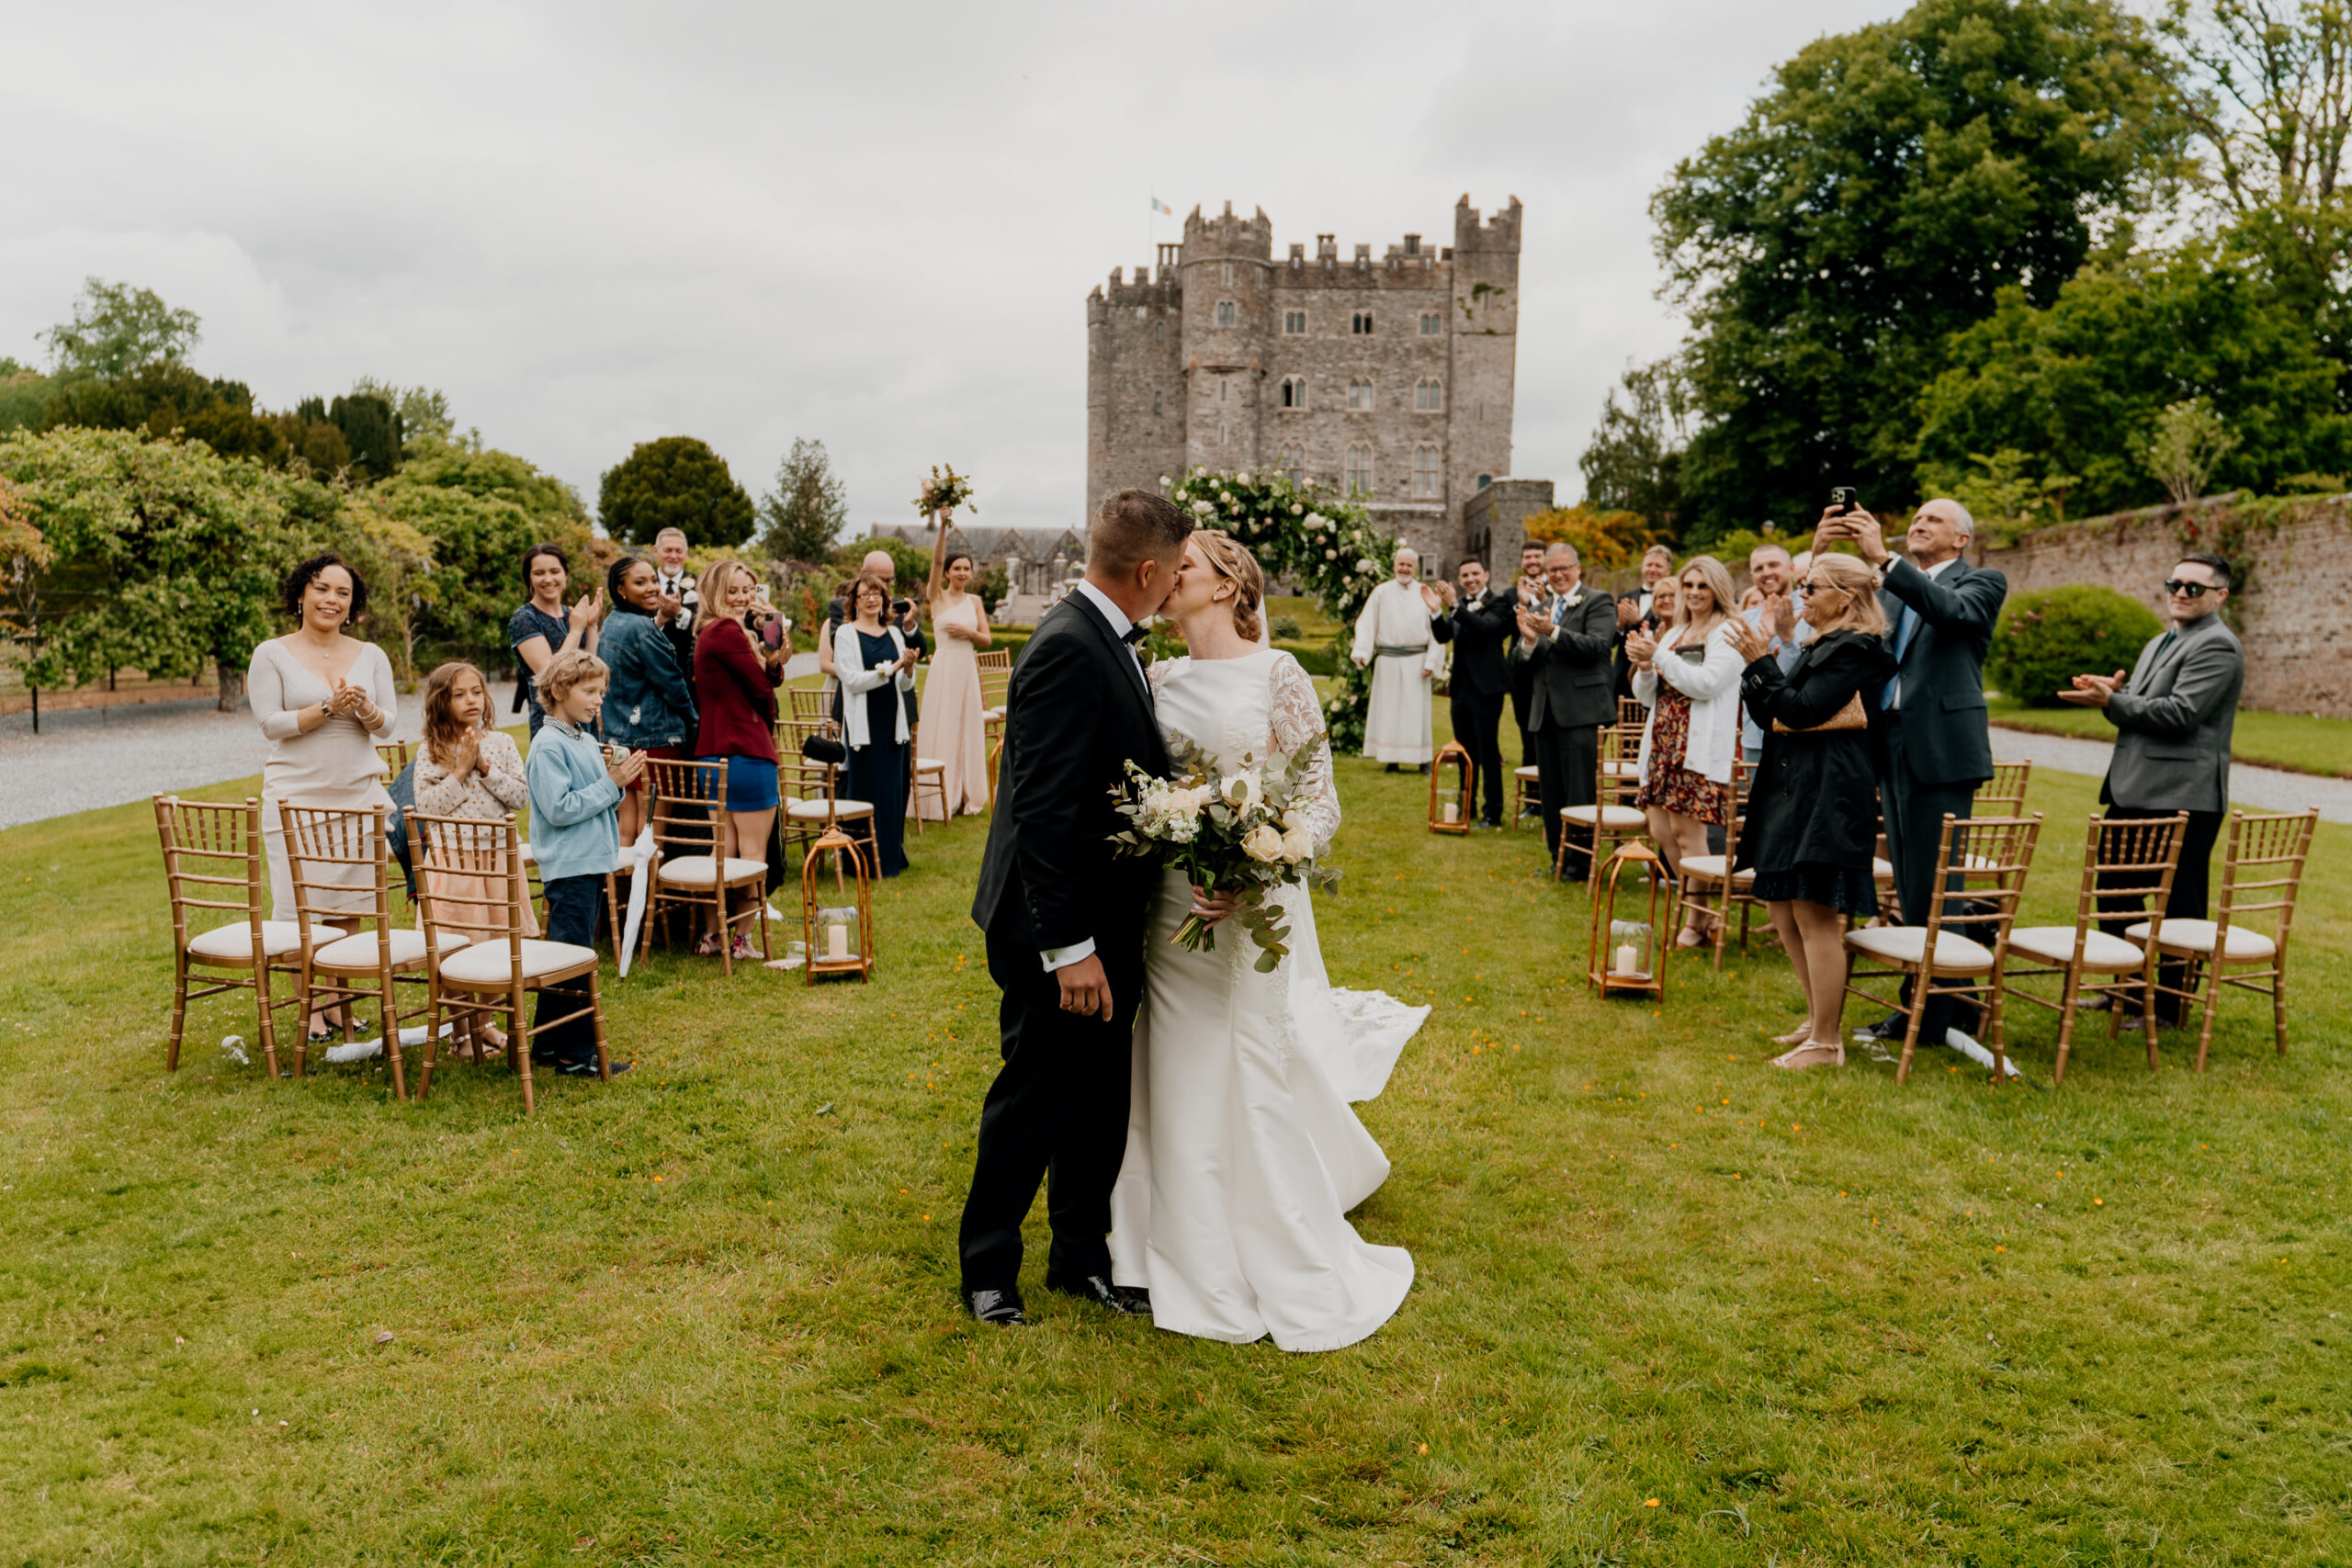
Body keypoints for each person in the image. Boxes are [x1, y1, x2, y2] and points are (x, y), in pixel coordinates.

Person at [1106, 530, 1422, 1351]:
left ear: (1227, 584)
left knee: (1240, 1059)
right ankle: (1155, 1237)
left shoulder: (1278, 675)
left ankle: (1259, 1240)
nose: (1169, 578)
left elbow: (1320, 801)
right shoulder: (1158, 676)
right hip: (1170, 908)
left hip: (1243, 910)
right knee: (1168, 1061)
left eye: (1186, 568)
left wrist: (1255, 868)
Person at [959, 488, 1196, 1327]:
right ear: (1145, 570)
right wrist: (1070, 948)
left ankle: (1080, 1259)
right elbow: (1043, 815)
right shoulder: (1067, 647)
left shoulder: (1110, 638)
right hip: (1053, 929)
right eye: (1172, 577)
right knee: (1034, 1098)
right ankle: (988, 1269)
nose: (1175, 591)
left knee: (1097, 1099)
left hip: (1109, 920)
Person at [1818, 499, 2007, 1043]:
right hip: (1892, 742)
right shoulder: (1897, 594)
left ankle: (1932, 1011)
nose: (1917, 524)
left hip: (1942, 750)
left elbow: (1952, 613)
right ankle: (1946, 998)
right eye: (1915, 518)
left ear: (1961, 540)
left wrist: (1885, 558)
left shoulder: (1982, 582)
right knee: (1910, 882)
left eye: (1932, 521)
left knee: (1937, 884)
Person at [2061, 553, 2245, 1021]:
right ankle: (2126, 991)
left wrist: (2116, 701)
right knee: (2116, 893)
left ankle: (2169, 1007)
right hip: (2133, 788)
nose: (2180, 593)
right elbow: (2141, 704)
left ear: (2220, 596)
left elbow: (2181, 713)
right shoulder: (2160, 641)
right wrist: (2108, 694)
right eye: (2175, 583)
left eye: (2194, 588)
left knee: (2178, 905)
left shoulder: (2218, 646)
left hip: (2182, 796)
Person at [1729, 553, 1895, 1068]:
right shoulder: (1815, 644)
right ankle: (1814, 1018)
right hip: (1791, 785)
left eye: (1811, 586)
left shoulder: (1857, 649)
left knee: (1814, 910)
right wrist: (1763, 661)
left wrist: (1762, 662)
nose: (1801, 593)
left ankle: (1827, 1042)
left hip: (1829, 790)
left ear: (1844, 596)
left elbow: (1801, 711)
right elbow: (1772, 710)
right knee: (1781, 904)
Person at [247, 552, 399, 1045]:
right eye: (322, 589)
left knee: (348, 907)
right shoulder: (271, 653)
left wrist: (364, 708)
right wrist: (327, 707)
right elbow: (271, 724)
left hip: (358, 794)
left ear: (352, 605)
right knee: (298, 906)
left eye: (343, 593)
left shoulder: (371, 654)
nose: (332, 600)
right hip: (295, 797)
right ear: (300, 595)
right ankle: (308, 1009)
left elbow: (389, 723)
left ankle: (342, 1006)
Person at [412, 660, 535, 1059]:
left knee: (497, 945)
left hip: (497, 859)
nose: (470, 701)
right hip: (454, 865)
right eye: (459, 694)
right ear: (440, 702)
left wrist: (483, 767)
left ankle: (487, 1024)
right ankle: (461, 1032)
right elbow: (428, 807)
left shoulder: (501, 745)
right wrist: (461, 770)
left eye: (476, 692)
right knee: (458, 949)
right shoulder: (430, 751)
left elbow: (519, 797)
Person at [525, 650, 639, 1077]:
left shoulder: (582, 739)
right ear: (557, 691)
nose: (598, 701)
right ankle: (576, 1051)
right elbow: (560, 808)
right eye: (589, 691)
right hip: (569, 865)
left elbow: (600, 796)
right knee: (574, 959)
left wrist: (616, 777)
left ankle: (549, 1042)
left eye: (602, 693)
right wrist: (611, 784)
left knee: (563, 955)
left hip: (588, 862)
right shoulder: (548, 744)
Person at [1627, 557, 1745, 946]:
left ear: (1718, 590)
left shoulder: (1727, 632)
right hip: (1663, 740)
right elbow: (1648, 696)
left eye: (1703, 586)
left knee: (1688, 833)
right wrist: (1645, 666)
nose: (1694, 593)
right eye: (1689, 586)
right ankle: (1698, 909)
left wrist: (1658, 654)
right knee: (1661, 831)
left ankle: (1696, 920)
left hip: (1695, 744)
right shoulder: (1676, 632)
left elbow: (1706, 684)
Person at [692, 558, 786, 958]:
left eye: (748, 589)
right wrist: (769, 721)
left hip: (712, 754)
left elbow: (771, 670)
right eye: (733, 590)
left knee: (724, 851)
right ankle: (742, 939)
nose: (743, 597)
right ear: (715, 592)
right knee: (752, 854)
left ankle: (713, 936)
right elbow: (764, 687)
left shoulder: (709, 631)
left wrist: (770, 628)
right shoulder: (728, 630)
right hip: (745, 751)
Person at [1511, 543, 1619, 876]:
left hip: (1582, 712)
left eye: (1563, 568)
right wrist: (1528, 641)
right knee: (1552, 791)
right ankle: (1557, 859)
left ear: (1577, 568)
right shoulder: (1541, 606)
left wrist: (1553, 631)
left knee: (1580, 790)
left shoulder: (1598, 601)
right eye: (1552, 570)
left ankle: (1581, 862)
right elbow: (1519, 665)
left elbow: (1599, 646)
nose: (1557, 575)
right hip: (1545, 712)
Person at [599, 554, 700, 848]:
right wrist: (693, 719)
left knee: (626, 829)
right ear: (620, 589)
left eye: (653, 580)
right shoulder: (641, 628)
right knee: (653, 834)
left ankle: (619, 893)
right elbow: (672, 683)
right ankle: (648, 896)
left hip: (621, 739)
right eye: (640, 582)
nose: (652, 587)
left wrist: (662, 620)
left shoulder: (613, 622)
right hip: (654, 738)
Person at [835, 570, 920, 876]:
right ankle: (861, 862)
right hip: (864, 727)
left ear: (885, 600)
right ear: (854, 601)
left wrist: (907, 670)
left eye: (877, 594)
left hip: (892, 724)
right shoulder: (846, 633)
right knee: (865, 791)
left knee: (891, 793)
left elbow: (904, 686)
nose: (872, 600)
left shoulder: (894, 634)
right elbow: (852, 681)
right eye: (865, 594)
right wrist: (892, 668)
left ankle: (890, 857)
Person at [1429, 558, 1516, 827]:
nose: (1470, 579)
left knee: (1488, 751)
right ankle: (1466, 806)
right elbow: (1444, 636)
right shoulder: (1461, 605)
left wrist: (1454, 605)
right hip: (1461, 690)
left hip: (1487, 689)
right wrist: (1435, 612)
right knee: (1464, 751)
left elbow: (1486, 629)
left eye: (1475, 573)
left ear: (1486, 575)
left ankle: (1493, 812)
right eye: (1465, 575)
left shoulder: (1498, 603)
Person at [1350, 546, 1450, 771]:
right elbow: (1366, 623)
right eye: (1401, 564)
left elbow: (1437, 628)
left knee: (1417, 712)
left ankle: (1423, 760)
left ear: (1416, 568)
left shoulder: (1424, 592)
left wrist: (1431, 661)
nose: (1404, 568)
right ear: (1394, 566)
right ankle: (1391, 759)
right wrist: (1363, 651)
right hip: (1388, 660)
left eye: (1409, 565)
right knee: (1389, 712)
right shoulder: (1381, 592)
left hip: (1417, 661)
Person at [918, 521, 993, 818]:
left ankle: (967, 794)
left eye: (966, 568)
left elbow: (985, 639)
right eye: (957, 568)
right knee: (944, 725)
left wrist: (968, 632)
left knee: (968, 726)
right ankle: (940, 796)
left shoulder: (975, 602)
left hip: (968, 668)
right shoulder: (936, 596)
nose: (962, 573)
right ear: (948, 572)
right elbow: (935, 559)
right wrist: (942, 526)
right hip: (945, 668)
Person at [821, 547, 927, 729]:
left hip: (897, 705)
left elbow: (920, 651)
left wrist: (909, 628)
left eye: (890, 580)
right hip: (857, 705)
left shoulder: (901, 608)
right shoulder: (841, 606)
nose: (885, 585)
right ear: (863, 574)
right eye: (880, 579)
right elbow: (839, 649)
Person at [509, 543, 603, 738]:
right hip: (552, 723)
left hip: (585, 718)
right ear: (530, 579)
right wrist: (576, 630)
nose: (548, 579)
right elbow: (549, 674)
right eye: (539, 573)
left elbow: (590, 667)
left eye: (555, 571)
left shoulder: (571, 614)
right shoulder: (525, 618)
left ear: (565, 576)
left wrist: (591, 625)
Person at [1740, 543, 1809, 767]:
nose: (1766, 572)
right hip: (1756, 736)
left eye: (1773, 565)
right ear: (1752, 576)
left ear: (1791, 568)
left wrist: (1786, 638)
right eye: (1759, 568)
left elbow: (1805, 670)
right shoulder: (1745, 619)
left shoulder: (1810, 610)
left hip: (1800, 731)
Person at [1612, 544, 1677, 699]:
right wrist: (1620, 625)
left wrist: (1639, 621)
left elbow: (1668, 633)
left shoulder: (1673, 600)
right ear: (1642, 568)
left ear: (1668, 571)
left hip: (1654, 673)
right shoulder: (1625, 597)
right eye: (1649, 565)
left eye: (1658, 566)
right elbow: (1611, 642)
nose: (1652, 569)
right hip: (1623, 674)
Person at [1509, 539, 1548, 764]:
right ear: (1522, 561)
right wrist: (1520, 603)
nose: (1532, 561)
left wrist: (1537, 601)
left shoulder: (1557, 591)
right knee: (1525, 731)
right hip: (1522, 675)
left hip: (1550, 671)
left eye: (1537, 556)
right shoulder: (1509, 594)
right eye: (1528, 557)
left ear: (1545, 559)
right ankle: (1531, 797)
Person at [650, 526, 700, 702]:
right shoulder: (643, 584)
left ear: (686, 553)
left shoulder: (699, 585)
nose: (673, 556)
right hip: (648, 674)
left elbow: (703, 625)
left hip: (686, 678)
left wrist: (679, 613)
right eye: (668, 550)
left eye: (678, 551)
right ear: (656, 551)